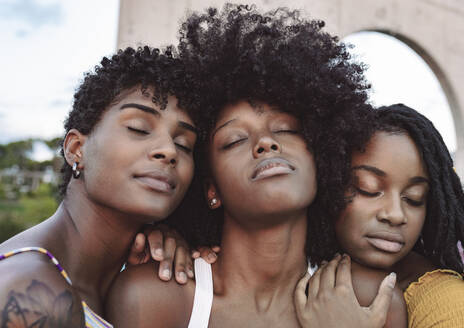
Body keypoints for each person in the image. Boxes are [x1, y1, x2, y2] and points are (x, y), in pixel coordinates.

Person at [106, 5, 402, 328]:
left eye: (287, 130)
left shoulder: (372, 301)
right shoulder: (154, 300)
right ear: (211, 189)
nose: (266, 143)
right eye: (234, 140)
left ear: (322, 155)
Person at [0, 46, 201, 327]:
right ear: (76, 149)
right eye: (138, 128)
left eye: (184, 145)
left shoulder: (136, 279)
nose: (169, 150)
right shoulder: (32, 295)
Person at [302, 104, 464, 327]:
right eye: (368, 189)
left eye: (414, 198)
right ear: (329, 187)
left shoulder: (447, 303)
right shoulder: (315, 285)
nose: (395, 215)